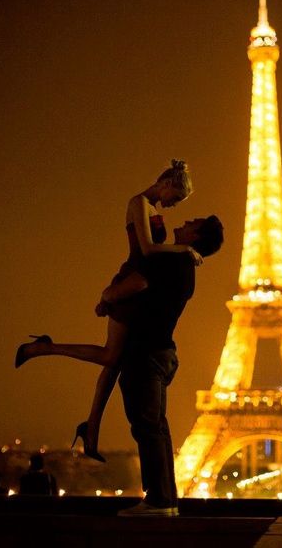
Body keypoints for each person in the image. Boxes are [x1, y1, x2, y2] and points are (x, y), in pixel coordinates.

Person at [15, 160, 201, 461]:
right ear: (166, 184)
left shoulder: (151, 207)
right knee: (111, 356)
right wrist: (186, 249)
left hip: (139, 286)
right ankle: (42, 348)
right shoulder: (138, 202)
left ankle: (92, 429)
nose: (175, 205)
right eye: (176, 197)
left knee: (114, 364)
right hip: (131, 281)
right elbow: (148, 249)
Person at [116, 215, 224, 516]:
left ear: (195, 236)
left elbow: (135, 281)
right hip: (161, 351)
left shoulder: (171, 263)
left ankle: (158, 501)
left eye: (194, 222)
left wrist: (107, 295)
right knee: (156, 428)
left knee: (148, 428)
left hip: (146, 351)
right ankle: (166, 500)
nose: (187, 219)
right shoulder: (185, 266)